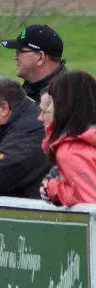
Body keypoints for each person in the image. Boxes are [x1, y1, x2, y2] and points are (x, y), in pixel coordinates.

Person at [41, 71, 96, 206]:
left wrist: (53, 189)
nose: (48, 109)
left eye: (53, 101)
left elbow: (89, 201)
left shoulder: (71, 151)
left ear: (64, 106)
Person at [1, 24, 66, 102]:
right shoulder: (31, 92)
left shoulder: (63, 101)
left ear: (40, 57)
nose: (15, 57)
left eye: (20, 51)